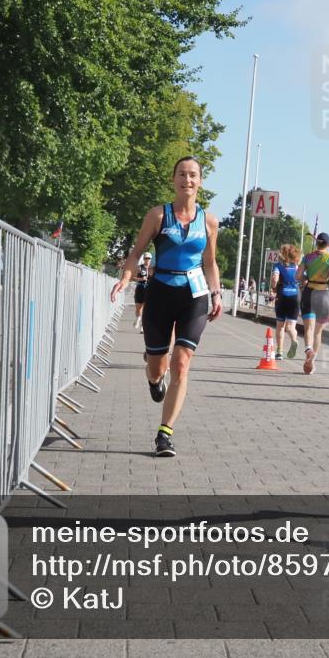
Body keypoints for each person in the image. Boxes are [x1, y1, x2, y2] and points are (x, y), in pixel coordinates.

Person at [110, 156, 222, 457]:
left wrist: (216, 293)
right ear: (173, 180)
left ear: (200, 181)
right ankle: (154, 379)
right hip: (160, 293)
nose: (187, 180)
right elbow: (136, 253)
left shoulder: (209, 221)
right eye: (182, 174)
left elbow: (209, 262)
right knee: (158, 366)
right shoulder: (158, 216)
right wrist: (125, 279)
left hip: (194, 295)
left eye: (193, 175)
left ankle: (164, 434)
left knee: (182, 363)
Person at [297, 232, 329, 374]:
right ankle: (313, 359)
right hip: (324, 295)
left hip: (309, 292)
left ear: (317, 244)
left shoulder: (307, 257)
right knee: (318, 331)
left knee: (308, 329)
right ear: (328, 245)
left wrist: (306, 277)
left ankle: (308, 350)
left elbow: (297, 276)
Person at [270, 244, 302, 360]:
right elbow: (304, 280)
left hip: (283, 296)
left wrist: (273, 288)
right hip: (295, 296)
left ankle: (279, 352)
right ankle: (294, 340)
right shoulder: (298, 267)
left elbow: (274, 279)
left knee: (280, 326)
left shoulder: (278, 266)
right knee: (290, 327)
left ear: (283, 254)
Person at [132, 253, 153, 332]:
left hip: (149, 290)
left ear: (151, 259)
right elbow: (133, 277)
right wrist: (141, 279)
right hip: (140, 288)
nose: (147, 260)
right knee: (138, 308)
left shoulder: (153, 269)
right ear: (143, 259)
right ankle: (138, 318)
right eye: (146, 258)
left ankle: (142, 327)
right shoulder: (140, 267)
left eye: (149, 258)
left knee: (146, 309)